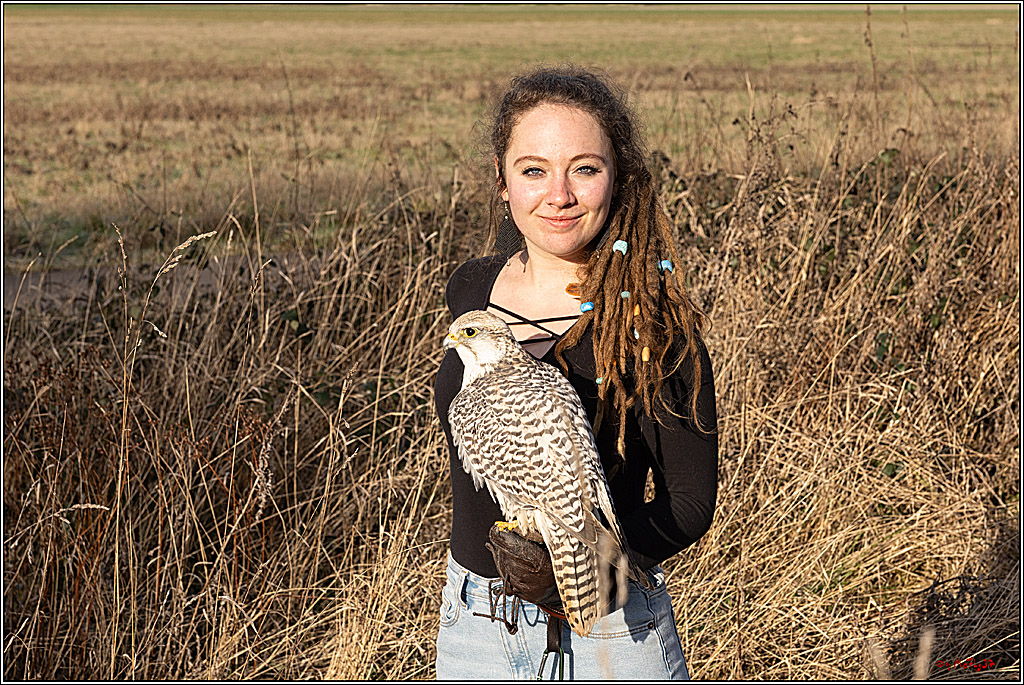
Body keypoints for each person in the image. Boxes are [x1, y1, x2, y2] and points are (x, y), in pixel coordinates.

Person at [432, 65, 718, 680]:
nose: (558, 194)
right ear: (502, 182)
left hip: (610, 627)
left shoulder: (651, 324)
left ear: (618, 178)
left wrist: (587, 566)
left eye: (584, 169)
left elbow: (691, 502)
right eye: (533, 170)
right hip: (476, 623)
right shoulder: (472, 290)